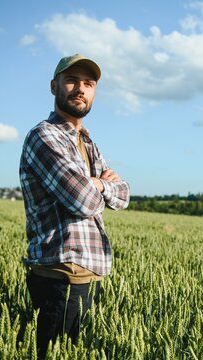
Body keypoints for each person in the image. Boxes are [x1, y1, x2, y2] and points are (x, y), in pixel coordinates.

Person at [19, 54, 130, 358]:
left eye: (88, 83)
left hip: (86, 274)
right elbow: (82, 201)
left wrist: (98, 184)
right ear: (54, 86)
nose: (80, 88)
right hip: (60, 274)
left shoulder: (88, 142)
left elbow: (123, 196)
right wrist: (98, 184)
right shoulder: (45, 136)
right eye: (71, 80)